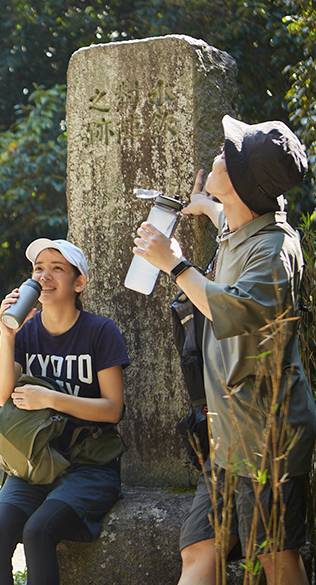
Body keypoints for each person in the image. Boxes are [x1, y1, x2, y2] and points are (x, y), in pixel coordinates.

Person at [133, 115, 316, 585]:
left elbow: (238, 310)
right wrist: (206, 206)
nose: (216, 156)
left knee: (275, 557)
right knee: (198, 549)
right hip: (227, 432)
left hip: (267, 435)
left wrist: (173, 264)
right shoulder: (240, 227)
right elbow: (228, 223)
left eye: (225, 156)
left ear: (240, 183)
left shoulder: (275, 249)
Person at [0, 239, 130, 585]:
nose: (45, 276)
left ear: (79, 283)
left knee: (37, 531)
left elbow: (113, 410)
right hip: (36, 464)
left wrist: (50, 399)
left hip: (90, 467)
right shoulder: (26, 331)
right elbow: (0, 394)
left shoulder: (100, 331)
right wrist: (6, 335)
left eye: (57, 269)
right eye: (38, 269)